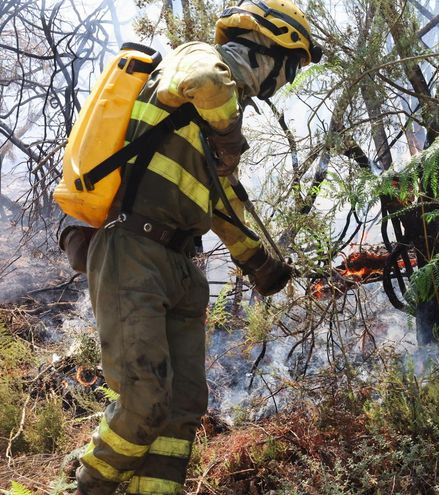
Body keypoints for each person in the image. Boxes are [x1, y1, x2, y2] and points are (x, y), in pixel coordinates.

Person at [67, 1, 322, 493]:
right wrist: (229, 134)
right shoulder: (197, 57)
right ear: (275, 48)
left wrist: (259, 264)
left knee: (182, 411)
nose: (286, 83)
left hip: (182, 268)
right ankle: (86, 485)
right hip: (133, 250)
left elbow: (223, 205)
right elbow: (206, 78)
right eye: (292, 68)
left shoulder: (209, 125)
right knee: (145, 398)